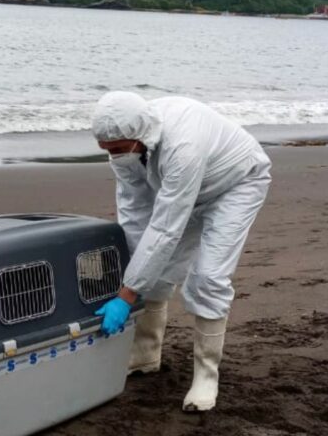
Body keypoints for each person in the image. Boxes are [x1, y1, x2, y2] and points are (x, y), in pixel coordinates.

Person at [92, 92, 271, 412]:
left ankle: (206, 374)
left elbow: (166, 227)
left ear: (139, 135)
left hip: (234, 184)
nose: (114, 156)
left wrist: (126, 296)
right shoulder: (124, 147)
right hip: (181, 191)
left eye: (118, 150)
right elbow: (134, 214)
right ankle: (145, 354)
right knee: (153, 270)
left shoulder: (182, 144)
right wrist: (134, 271)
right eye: (107, 151)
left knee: (207, 277)